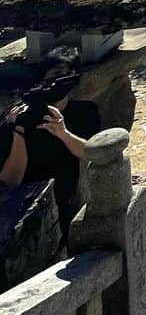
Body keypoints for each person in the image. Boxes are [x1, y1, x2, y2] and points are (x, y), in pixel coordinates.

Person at [0, 97, 99, 233]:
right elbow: (10, 180)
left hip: (66, 207)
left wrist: (64, 134)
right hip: (25, 217)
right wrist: (19, 131)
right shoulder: (11, 123)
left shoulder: (83, 111)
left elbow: (95, 155)